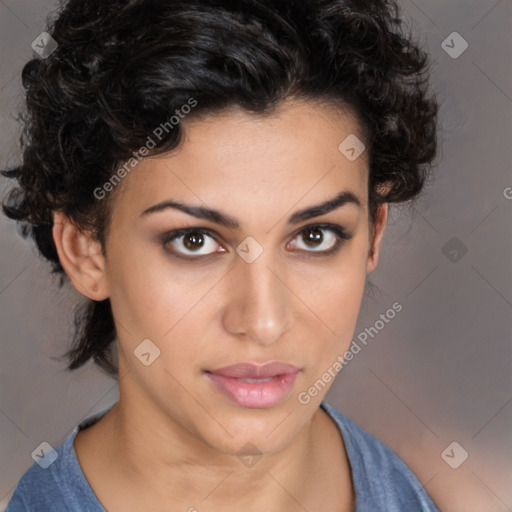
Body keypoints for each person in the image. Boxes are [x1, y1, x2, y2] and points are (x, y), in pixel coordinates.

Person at [2, 0, 440, 510]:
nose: (264, 321)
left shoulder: (429, 486)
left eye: (316, 236)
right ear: (85, 250)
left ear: (372, 234)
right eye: (194, 241)